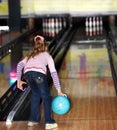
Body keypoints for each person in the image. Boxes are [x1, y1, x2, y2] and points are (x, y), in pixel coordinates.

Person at [16, 35, 66, 130]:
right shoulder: (47, 55)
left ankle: (33, 120)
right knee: (46, 97)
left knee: (36, 94)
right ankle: (49, 122)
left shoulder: (30, 55)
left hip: (28, 75)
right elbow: (53, 73)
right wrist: (59, 91)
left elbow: (19, 65)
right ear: (45, 46)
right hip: (39, 75)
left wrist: (19, 80)